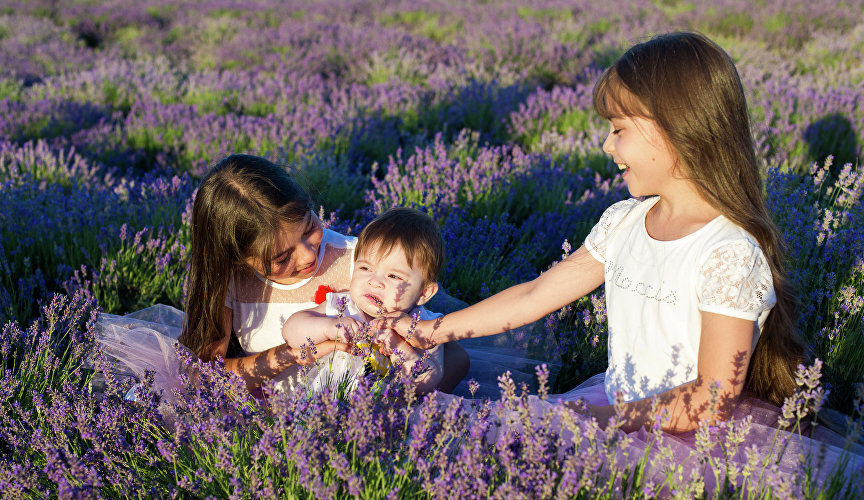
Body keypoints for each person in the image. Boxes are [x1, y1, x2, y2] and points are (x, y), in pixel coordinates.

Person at [380, 31, 803, 434]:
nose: (606, 145)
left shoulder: (727, 253)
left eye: (619, 129)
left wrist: (597, 418)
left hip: (683, 434)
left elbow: (710, 401)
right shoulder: (625, 222)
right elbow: (534, 296)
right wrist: (432, 331)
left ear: (678, 129)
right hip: (614, 404)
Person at [98, 154, 468, 399]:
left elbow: (449, 355)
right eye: (280, 256)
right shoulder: (229, 283)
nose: (308, 254)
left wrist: (410, 399)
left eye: (309, 227)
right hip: (269, 405)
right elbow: (205, 376)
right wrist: (305, 351)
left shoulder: (361, 264)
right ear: (238, 257)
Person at [281, 207, 446, 394]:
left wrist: (400, 349)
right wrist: (328, 327)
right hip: (327, 403)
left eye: (393, 276)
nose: (374, 282)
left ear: (424, 293)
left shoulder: (424, 326)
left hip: (386, 414)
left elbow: (427, 382)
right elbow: (291, 333)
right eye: (365, 268)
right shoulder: (343, 307)